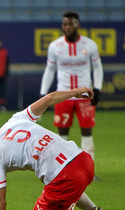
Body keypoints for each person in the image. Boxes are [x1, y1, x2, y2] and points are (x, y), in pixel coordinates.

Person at [40, 11, 103, 179]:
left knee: (87, 132)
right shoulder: (55, 46)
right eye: (65, 24)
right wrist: (43, 93)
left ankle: (89, 171)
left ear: (78, 25)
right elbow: (50, 69)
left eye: (71, 23)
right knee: (62, 134)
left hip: (84, 95)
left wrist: (97, 89)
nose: (68, 27)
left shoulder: (89, 45)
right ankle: (62, 170)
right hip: (63, 95)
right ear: (62, 26)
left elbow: (97, 67)